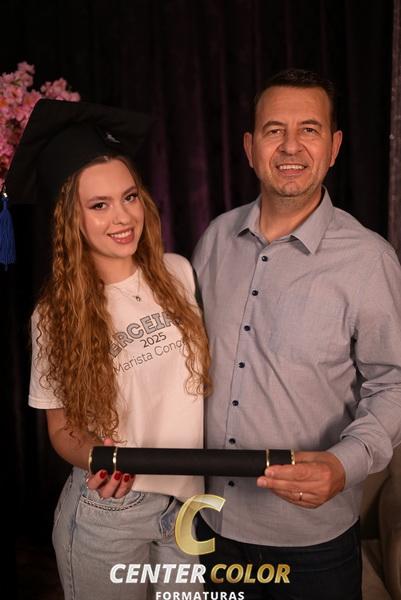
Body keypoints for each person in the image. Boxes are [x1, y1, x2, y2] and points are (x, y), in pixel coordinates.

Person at [192, 68, 401, 599]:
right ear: (249, 147)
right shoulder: (215, 239)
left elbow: (394, 384)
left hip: (313, 545)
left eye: (309, 130)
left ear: (334, 147)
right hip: (209, 525)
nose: (290, 146)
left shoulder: (370, 260)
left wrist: (343, 465)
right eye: (274, 130)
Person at [6, 99, 210, 600]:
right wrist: (102, 457)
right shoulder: (55, 314)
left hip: (187, 507)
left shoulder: (179, 273)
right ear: (70, 219)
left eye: (130, 196)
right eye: (99, 205)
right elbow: (62, 430)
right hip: (110, 511)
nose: (122, 217)